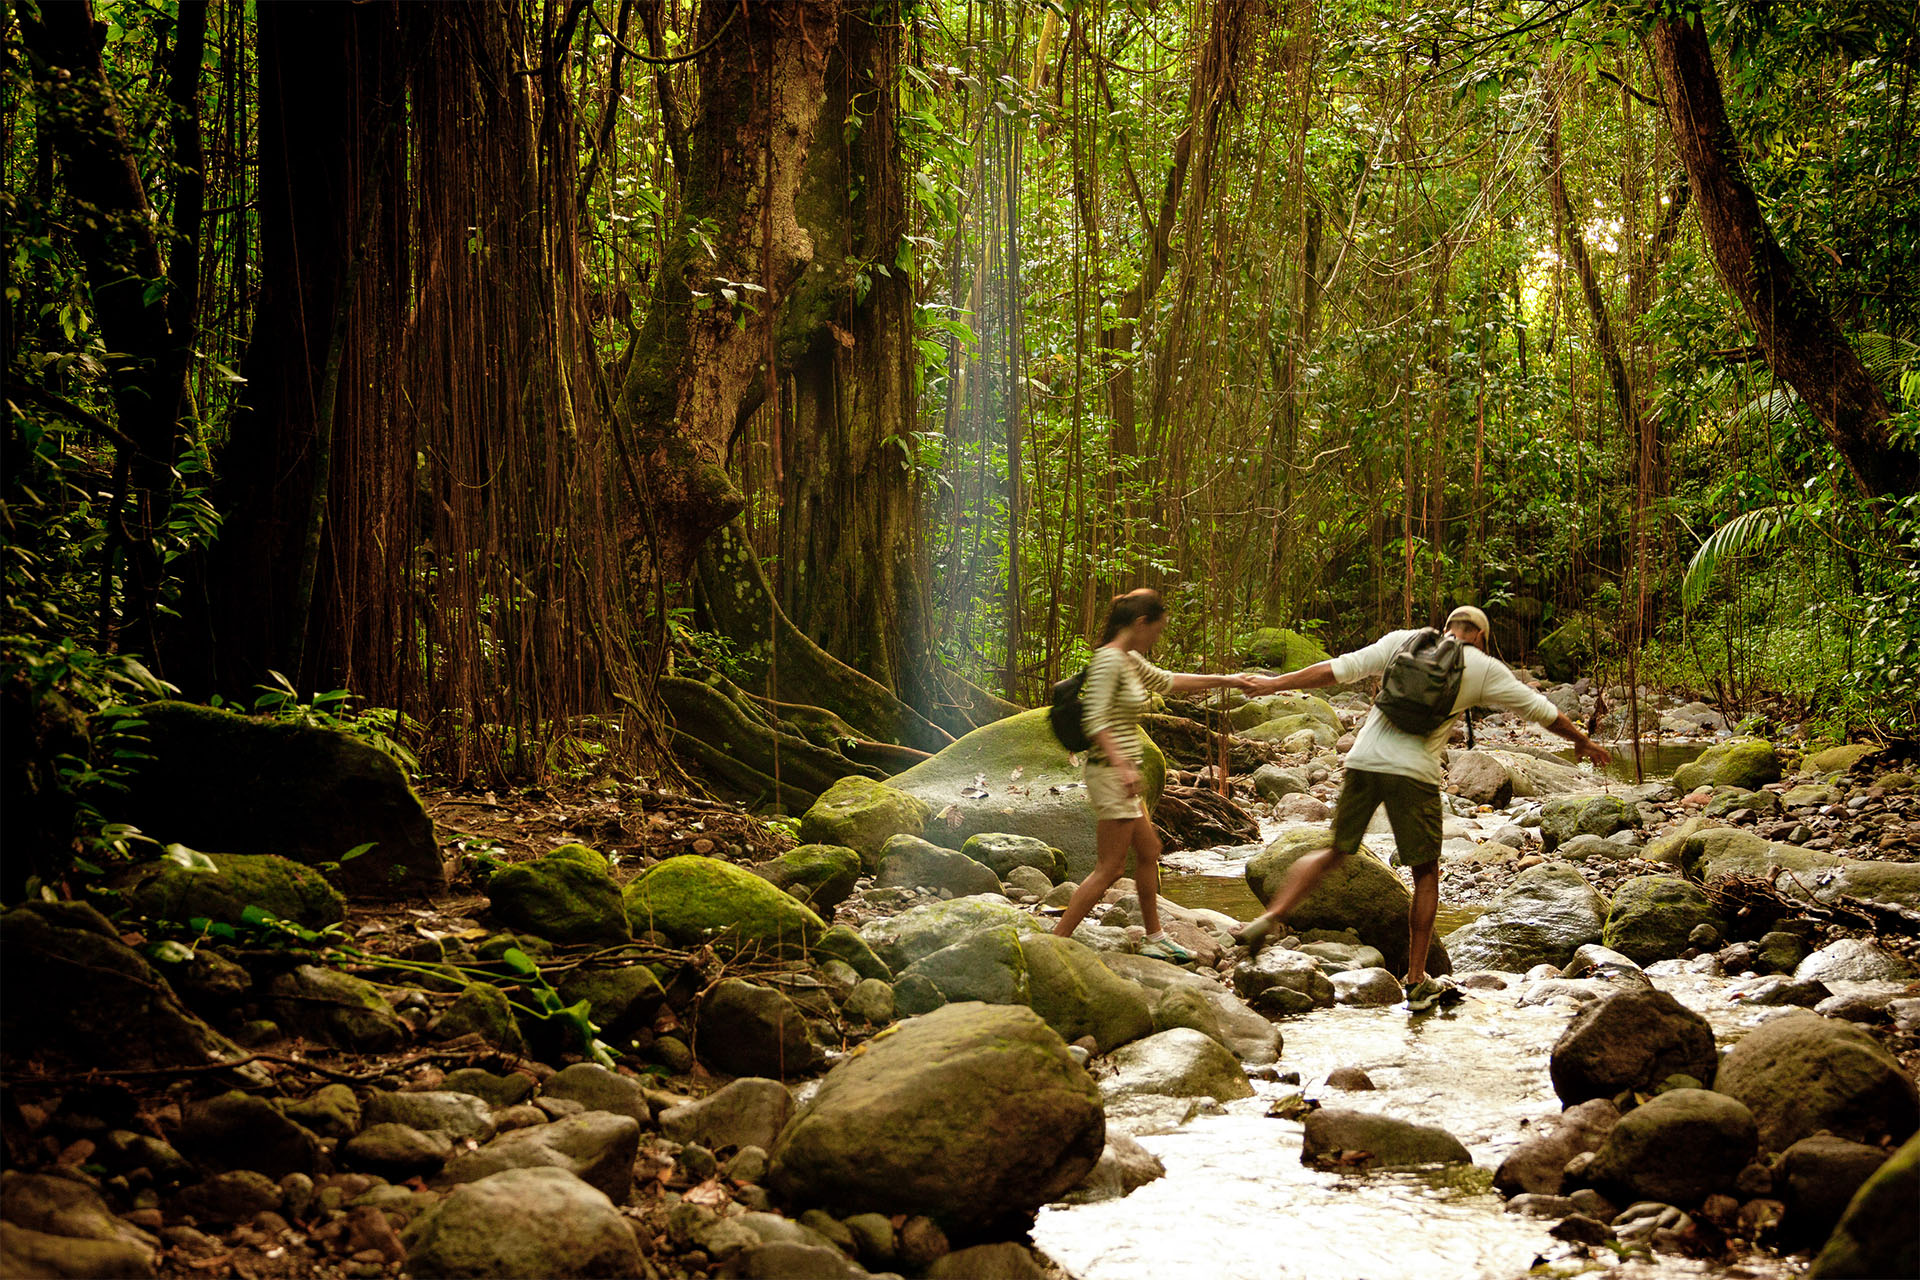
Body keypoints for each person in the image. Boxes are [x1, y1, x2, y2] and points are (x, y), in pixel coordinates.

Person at [1233, 605, 1611, 1008]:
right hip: (1414, 773)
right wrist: (1582, 741)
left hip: (1363, 760)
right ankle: (1416, 981)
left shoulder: (1404, 641)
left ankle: (1271, 916)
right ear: (1480, 636)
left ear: (1446, 627)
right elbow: (1541, 710)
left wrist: (1275, 684)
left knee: (1335, 850)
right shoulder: (1481, 667)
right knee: (1426, 874)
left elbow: (1337, 669)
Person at [1053, 589, 1256, 963]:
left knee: (1149, 851)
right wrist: (1123, 765)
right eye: (1157, 630)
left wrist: (1229, 680)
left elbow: (1168, 681)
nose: (1157, 639)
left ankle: (1154, 937)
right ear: (1140, 623)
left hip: (1122, 775)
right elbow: (1095, 719)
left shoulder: (1128, 660)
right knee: (1110, 868)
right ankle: (1055, 941)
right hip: (1111, 775)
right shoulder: (1108, 661)